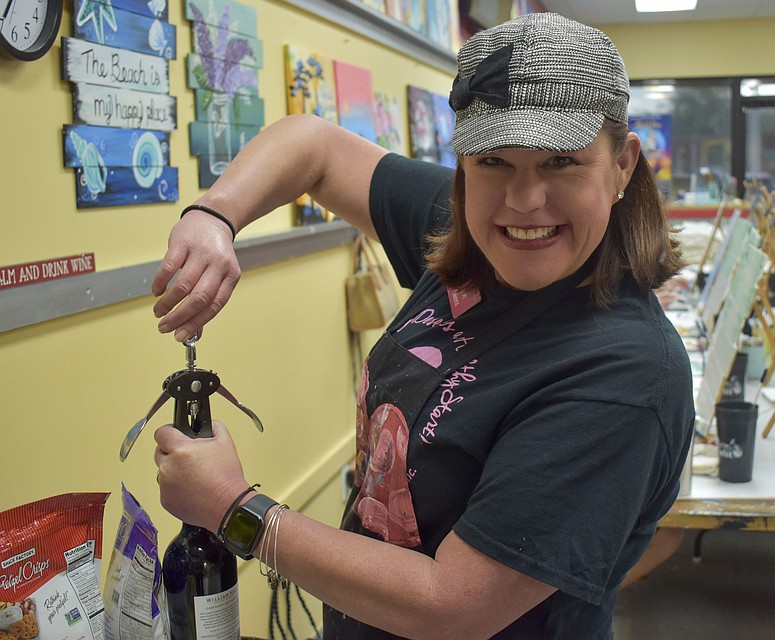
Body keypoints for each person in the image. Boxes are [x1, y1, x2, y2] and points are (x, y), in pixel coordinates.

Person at [151, 12, 695, 640]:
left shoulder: (621, 374)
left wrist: (234, 510)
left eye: (561, 163)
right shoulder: (470, 230)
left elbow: (453, 605)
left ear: (623, 164)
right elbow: (314, 147)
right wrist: (213, 216)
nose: (524, 200)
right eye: (492, 160)